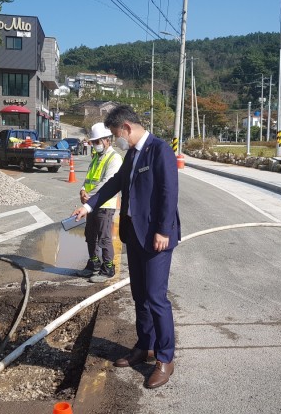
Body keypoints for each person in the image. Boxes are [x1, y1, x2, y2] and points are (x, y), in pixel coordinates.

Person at [71, 104, 180, 389]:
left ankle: (165, 358)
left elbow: (169, 192)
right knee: (140, 297)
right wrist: (88, 205)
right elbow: (114, 185)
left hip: (157, 237)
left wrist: (163, 230)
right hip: (135, 235)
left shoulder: (160, 150)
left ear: (127, 128)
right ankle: (145, 346)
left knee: (156, 298)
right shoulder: (132, 154)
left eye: (116, 133)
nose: (116, 139)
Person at [79, 122, 123, 281]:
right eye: (93, 142)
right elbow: (88, 178)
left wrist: (88, 197)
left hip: (105, 205)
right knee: (90, 235)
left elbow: (107, 183)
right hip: (91, 204)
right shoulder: (96, 158)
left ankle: (108, 268)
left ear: (107, 140)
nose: (95, 145)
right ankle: (94, 264)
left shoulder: (114, 158)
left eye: (97, 142)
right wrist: (83, 190)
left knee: (103, 237)